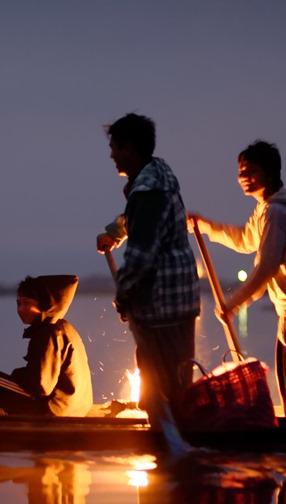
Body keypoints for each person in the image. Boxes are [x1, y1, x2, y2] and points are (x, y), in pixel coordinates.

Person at [189, 140, 286, 417]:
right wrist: (205, 226)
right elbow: (245, 239)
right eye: (240, 170)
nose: (242, 177)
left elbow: (266, 268)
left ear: (268, 173)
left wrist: (234, 304)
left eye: (249, 170)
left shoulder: (277, 213)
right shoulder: (266, 209)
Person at [94, 113, 201, 446]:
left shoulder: (148, 190)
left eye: (115, 148)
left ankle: (171, 457)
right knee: (174, 386)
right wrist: (115, 233)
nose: (111, 155)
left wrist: (123, 295)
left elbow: (141, 256)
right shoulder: (157, 175)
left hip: (162, 307)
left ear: (130, 149)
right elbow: (138, 221)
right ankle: (176, 454)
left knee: (163, 391)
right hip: (176, 302)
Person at [0, 274, 93, 417]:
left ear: (44, 304)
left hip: (55, 411)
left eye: (26, 303)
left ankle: (9, 426)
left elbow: (41, 386)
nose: (20, 309)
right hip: (75, 409)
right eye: (18, 303)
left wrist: (17, 375)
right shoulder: (65, 327)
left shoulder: (48, 333)